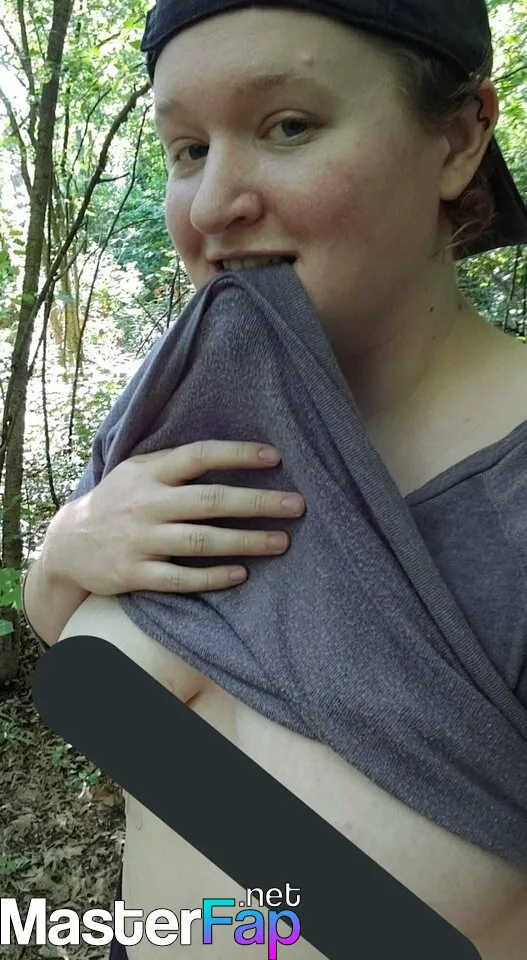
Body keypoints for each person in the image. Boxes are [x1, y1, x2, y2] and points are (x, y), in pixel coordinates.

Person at [22, 1, 527, 957]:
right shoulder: (188, 402)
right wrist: (60, 558)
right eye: (185, 149)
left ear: (459, 139)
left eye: (287, 126)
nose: (211, 203)